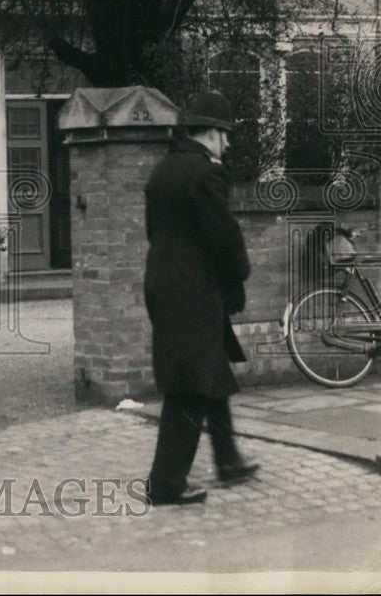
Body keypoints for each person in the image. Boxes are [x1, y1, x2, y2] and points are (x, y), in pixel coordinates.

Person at [143, 92, 260, 506]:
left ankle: (228, 459)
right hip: (192, 288)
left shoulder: (163, 170)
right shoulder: (206, 173)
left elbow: (152, 231)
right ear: (211, 133)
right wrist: (238, 275)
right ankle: (166, 483)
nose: (227, 145)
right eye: (225, 135)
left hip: (164, 282)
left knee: (209, 367)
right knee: (191, 383)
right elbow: (222, 235)